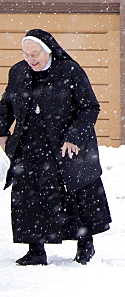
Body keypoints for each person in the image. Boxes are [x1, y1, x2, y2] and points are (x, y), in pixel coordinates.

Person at [0, 30, 112, 266]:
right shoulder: (18, 72)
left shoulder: (70, 71)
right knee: (30, 197)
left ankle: (85, 245)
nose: (30, 59)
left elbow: (89, 107)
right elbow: (6, 104)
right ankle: (35, 250)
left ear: (48, 50)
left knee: (75, 196)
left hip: (65, 146)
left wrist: (74, 137)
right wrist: (2, 132)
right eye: (26, 54)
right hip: (29, 145)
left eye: (35, 54)